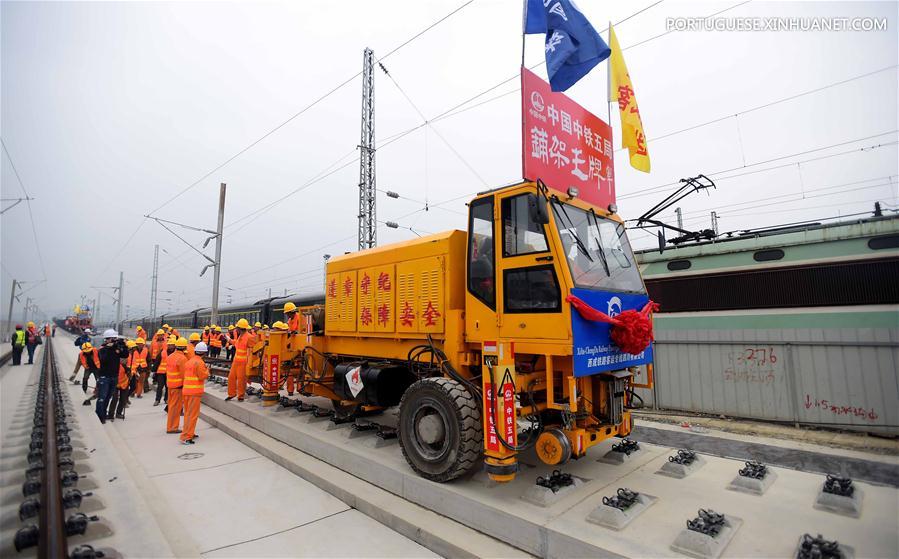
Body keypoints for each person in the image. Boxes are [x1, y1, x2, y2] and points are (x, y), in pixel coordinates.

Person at [95, 329, 129, 424]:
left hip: (114, 377)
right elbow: (104, 359)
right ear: (107, 339)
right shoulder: (102, 349)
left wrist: (122, 346)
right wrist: (110, 348)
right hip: (104, 377)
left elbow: (125, 354)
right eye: (113, 339)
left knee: (108, 396)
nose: (115, 341)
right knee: (102, 397)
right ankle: (99, 415)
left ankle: (103, 413)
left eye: (115, 339)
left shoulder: (116, 348)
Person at [180, 342, 209, 445]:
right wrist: (207, 371)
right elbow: (202, 376)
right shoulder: (200, 363)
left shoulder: (189, 361)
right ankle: (187, 437)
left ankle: (188, 433)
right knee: (192, 415)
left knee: (188, 414)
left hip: (187, 391)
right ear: (204, 353)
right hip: (194, 392)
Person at [226, 318, 256, 402]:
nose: (236, 330)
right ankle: (231, 394)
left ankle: (240, 396)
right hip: (236, 361)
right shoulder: (240, 336)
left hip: (243, 362)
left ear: (240, 328)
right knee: (231, 377)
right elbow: (237, 344)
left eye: (237, 328)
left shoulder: (249, 337)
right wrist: (230, 340)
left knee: (241, 379)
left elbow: (255, 349)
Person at [107, 340, 136, 421]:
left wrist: (130, 373)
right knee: (115, 399)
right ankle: (110, 415)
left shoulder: (129, 357)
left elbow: (131, 366)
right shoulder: (115, 356)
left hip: (124, 382)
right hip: (115, 383)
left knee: (123, 399)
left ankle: (119, 413)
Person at [165, 337, 189, 433]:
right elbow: (184, 375)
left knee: (171, 406)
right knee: (176, 408)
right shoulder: (182, 358)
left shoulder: (170, 356)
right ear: (184, 348)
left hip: (170, 385)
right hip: (178, 387)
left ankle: (170, 426)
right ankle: (172, 428)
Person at [154, 336, 175, 407]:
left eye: (172, 345)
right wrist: (154, 370)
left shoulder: (176, 353)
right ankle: (157, 400)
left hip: (170, 373)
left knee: (168, 387)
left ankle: (166, 399)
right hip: (161, 372)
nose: (170, 346)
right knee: (160, 386)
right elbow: (157, 361)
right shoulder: (163, 352)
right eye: (169, 345)